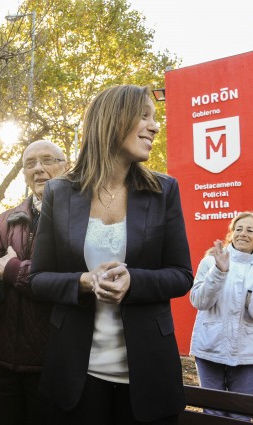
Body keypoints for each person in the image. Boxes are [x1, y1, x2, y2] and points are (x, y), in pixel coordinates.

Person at [29, 85, 194, 424]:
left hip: (148, 377)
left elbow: (181, 274)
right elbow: (38, 279)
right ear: (113, 120)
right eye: (144, 116)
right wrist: (83, 282)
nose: (154, 126)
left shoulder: (164, 191)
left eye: (155, 118)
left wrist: (134, 281)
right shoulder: (59, 193)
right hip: (76, 375)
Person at [0, 140, 67, 425]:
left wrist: (10, 268)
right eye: (29, 164)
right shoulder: (5, 220)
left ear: (65, 166)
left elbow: (65, 279)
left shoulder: (78, 217)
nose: (38, 169)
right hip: (2, 362)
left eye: (47, 160)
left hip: (53, 364)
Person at [189, 211, 253, 420]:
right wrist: (219, 272)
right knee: (211, 411)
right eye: (238, 229)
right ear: (231, 234)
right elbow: (199, 301)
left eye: (250, 230)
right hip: (209, 347)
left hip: (246, 352)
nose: (243, 233)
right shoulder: (209, 261)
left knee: (241, 412)